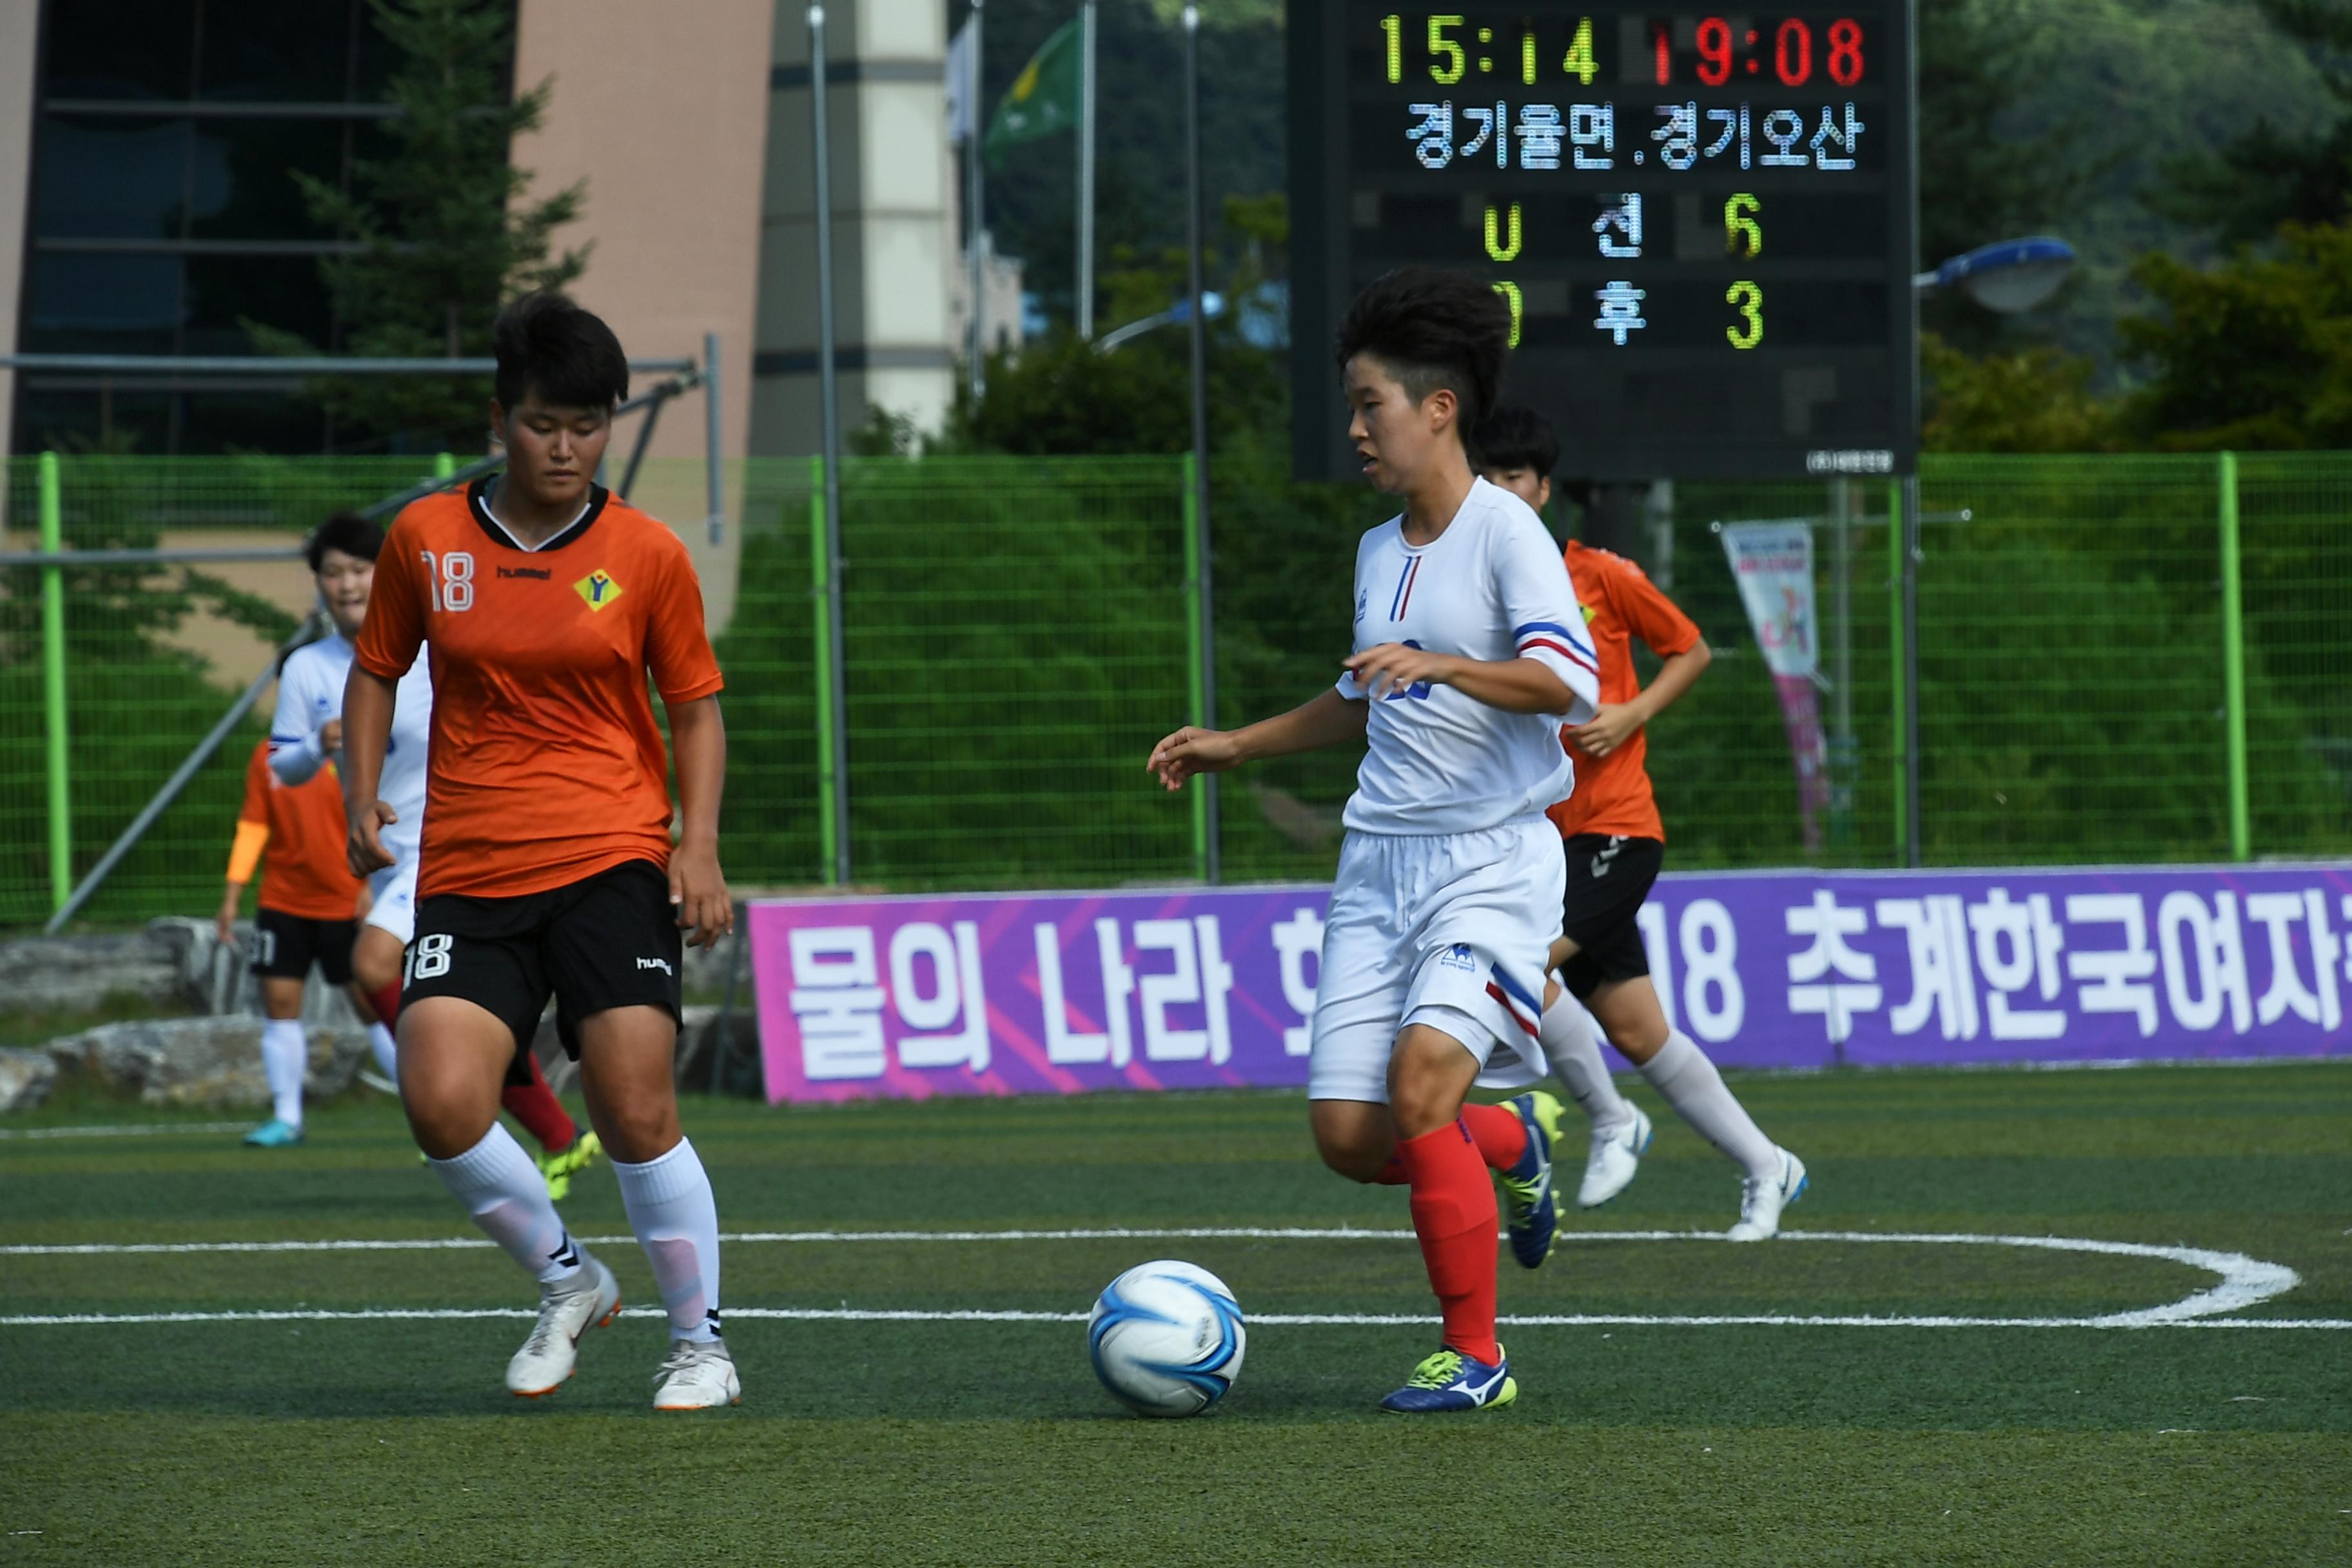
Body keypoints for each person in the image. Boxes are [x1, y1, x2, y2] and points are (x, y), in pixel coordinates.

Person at [1148, 269, 1598, 1414]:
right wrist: (1236, 745)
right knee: (1348, 1134)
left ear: (1437, 407)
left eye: (1368, 405)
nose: (1353, 429)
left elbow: (1563, 680)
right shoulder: (1374, 548)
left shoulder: (1508, 534)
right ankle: (1510, 1143)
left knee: (1413, 1090)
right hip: (1376, 868)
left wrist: (1443, 663)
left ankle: (1475, 1357)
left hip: (1492, 861)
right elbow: (1366, 696)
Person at [342, 291, 738, 1410]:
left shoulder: (646, 554)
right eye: (541, 424)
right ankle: (568, 1281)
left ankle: (700, 1341)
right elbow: (377, 667)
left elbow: (696, 707)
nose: (564, 447)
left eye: (587, 423)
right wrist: (360, 791)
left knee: (633, 1105)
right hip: (467, 869)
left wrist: (696, 848)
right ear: (497, 419)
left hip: (612, 853)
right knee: (440, 1098)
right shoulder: (425, 538)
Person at [1476, 404, 1808, 1239]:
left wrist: (1629, 717)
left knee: (1515, 967)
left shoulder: (1599, 576)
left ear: (1544, 490)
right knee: (1635, 1028)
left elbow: (1690, 648)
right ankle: (1768, 1166)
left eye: (1517, 475)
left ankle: (1611, 1119)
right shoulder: (1474, 597)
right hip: (1540, 841)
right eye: (1488, 475)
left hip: (1618, 829)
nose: (1502, 491)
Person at [270, 511, 600, 1199]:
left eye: (360, 569)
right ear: (318, 586)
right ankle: (552, 1131)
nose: (347, 583)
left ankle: (475, 1110)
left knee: (372, 964)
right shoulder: (308, 668)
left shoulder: (427, 649)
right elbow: (285, 770)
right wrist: (321, 743)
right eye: (332, 573)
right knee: (439, 998)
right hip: (391, 860)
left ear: (385, 574)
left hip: (460, 842)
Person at [218, 737, 371, 1146]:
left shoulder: (356, 745)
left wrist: (372, 883)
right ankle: (288, 1119)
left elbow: (385, 814)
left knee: (375, 1008)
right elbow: (254, 824)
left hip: (346, 902)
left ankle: (430, 1118)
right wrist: (234, 892)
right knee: (280, 1006)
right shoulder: (267, 755)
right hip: (283, 901)